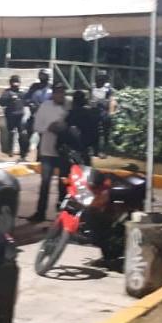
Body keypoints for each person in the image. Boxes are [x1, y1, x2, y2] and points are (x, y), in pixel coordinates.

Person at [27, 81, 70, 223]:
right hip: (47, 151)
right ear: (53, 93)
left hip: (63, 152)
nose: (60, 94)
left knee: (63, 184)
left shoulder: (69, 105)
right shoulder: (45, 106)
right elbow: (36, 126)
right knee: (45, 184)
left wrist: (63, 127)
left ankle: (63, 215)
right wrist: (50, 127)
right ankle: (40, 213)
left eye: (62, 92)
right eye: (58, 92)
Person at [0, 75, 30, 158]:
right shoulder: (7, 92)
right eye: (13, 82)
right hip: (10, 115)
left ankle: (23, 152)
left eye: (17, 82)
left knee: (22, 134)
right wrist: (9, 99)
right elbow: (1, 102)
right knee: (11, 133)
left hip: (20, 116)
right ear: (10, 83)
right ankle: (10, 151)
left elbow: (27, 101)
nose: (15, 84)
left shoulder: (22, 92)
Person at [24, 69, 53, 158]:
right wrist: (30, 103)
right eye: (41, 75)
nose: (43, 77)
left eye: (45, 75)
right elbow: (26, 98)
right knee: (27, 130)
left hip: (47, 116)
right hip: (35, 114)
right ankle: (25, 151)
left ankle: (40, 157)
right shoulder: (34, 87)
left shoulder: (51, 88)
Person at [67, 89, 100, 166]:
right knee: (86, 166)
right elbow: (95, 131)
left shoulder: (70, 114)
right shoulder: (91, 113)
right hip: (86, 145)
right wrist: (96, 148)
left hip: (74, 147)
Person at [90, 72, 116, 157]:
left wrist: (111, 112)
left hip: (103, 111)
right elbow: (89, 99)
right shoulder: (92, 88)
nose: (99, 81)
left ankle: (104, 151)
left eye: (101, 79)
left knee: (105, 132)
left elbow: (112, 100)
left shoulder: (108, 89)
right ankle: (95, 150)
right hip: (94, 112)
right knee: (93, 131)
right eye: (98, 79)